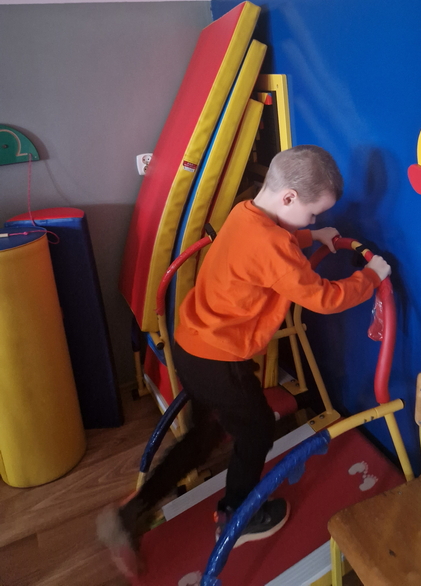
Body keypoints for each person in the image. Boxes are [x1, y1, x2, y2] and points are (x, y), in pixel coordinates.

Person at [98, 145, 391, 577]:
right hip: (222, 360)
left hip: (191, 346)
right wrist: (370, 276)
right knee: (256, 430)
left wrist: (312, 237)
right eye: (313, 214)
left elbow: (271, 245)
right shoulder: (274, 245)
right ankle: (236, 512)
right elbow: (324, 298)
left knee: (202, 436)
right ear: (289, 197)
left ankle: (130, 514)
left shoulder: (244, 213)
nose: (312, 221)